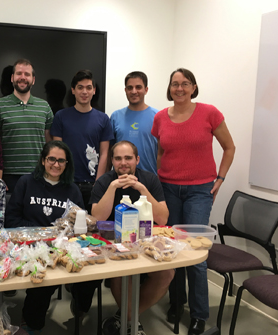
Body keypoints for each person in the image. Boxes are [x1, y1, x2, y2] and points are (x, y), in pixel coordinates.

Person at [151, 68, 235, 335]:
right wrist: (162, 178)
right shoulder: (160, 117)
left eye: (184, 83)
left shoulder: (210, 113)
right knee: (171, 249)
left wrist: (220, 178)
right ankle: (177, 303)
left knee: (196, 254)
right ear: (169, 88)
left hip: (200, 191)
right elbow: (161, 151)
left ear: (193, 87)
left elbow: (229, 147)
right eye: (175, 84)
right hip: (168, 190)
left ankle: (199, 315)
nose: (179, 88)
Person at [72, 140, 171, 335]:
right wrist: (113, 187)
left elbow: (163, 218)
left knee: (167, 273)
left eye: (128, 158)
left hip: (144, 241)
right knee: (123, 271)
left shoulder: (150, 179)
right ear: (112, 161)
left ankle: (125, 318)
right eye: (118, 158)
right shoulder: (103, 181)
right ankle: (132, 322)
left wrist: (142, 190)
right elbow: (97, 218)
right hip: (111, 245)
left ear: (137, 159)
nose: (123, 163)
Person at [4, 141, 84, 332]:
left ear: (67, 164)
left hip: (59, 248)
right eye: (52, 159)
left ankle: (34, 321)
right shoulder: (26, 182)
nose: (56, 165)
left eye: (61, 161)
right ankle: (31, 321)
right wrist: (43, 232)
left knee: (57, 277)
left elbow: (78, 226)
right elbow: (12, 220)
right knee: (42, 277)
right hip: (26, 245)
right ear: (43, 160)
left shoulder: (72, 190)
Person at [50, 70, 113, 212]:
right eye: (80, 87)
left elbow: (105, 153)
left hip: (93, 184)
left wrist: (99, 182)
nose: (84, 91)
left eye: (89, 87)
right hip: (66, 181)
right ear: (73, 90)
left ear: (94, 91)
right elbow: (57, 151)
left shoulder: (103, 119)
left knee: (91, 226)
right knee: (64, 226)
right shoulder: (61, 116)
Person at [0, 58, 54, 192]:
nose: (23, 77)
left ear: (33, 79)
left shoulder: (44, 106)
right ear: (12, 78)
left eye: (27, 74)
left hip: (38, 174)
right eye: (19, 73)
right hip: (8, 176)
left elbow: (49, 143)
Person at [110, 71, 158, 174]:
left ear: (146, 90)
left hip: (149, 179)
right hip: (120, 178)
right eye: (130, 88)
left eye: (138, 87)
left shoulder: (157, 116)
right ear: (125, 90)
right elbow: (110, 151)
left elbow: (162, 153)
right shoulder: (115, 117)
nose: (134, 91)